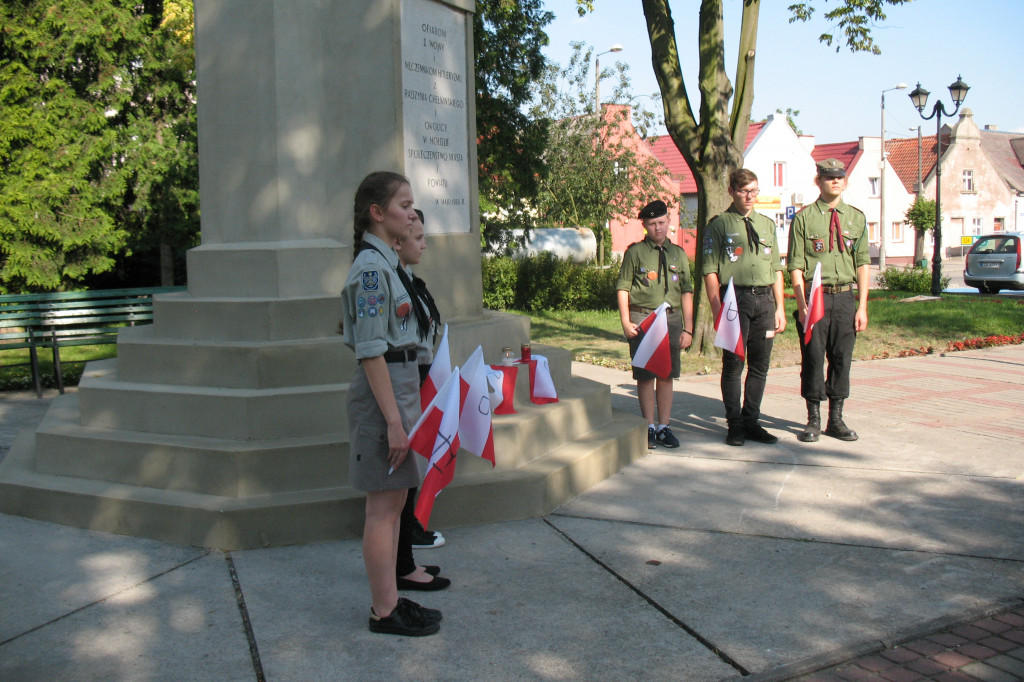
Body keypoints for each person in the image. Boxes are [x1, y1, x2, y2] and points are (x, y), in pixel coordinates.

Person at [340, 171, 440, 637]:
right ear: (378, 214)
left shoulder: (390, 266)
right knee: (382, 509)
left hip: (399, 385)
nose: (412, 212)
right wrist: (394, 422)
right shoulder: (372, 270)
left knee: (396, 501)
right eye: (404, 205)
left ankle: (393, 599)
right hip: (385, 392)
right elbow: (370, 350)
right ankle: (384, 611)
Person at [787, 158, 870, 443]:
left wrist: (863, 306)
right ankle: (813, 419)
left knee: (841, 359)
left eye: (839, 177)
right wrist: (801, 303)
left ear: (845, 182)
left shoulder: (856, 218)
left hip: (845, 297)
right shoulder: (804, 218)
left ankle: (836, 419)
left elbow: (862, 263)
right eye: (829, 177)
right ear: (818, 182)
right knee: (812, 358)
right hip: (815, 299)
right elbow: (796, 265)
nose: (835, 181)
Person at [702, 169, 786, 446]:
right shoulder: (719, 224)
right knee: (734, 364)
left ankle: (752, 421)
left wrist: (780, 307)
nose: (749, 196)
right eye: (743, 191)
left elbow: (775, 267)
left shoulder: (766, 224)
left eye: (754, 191)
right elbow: (710, 271)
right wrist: (717, 310)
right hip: (733, 301)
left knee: (760, 365)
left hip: (764, 300)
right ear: (732, 191)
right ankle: (734, 424)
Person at [393, 208, 449, 592]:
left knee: (413, 472)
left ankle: (407, 557)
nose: (425, 243)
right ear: (398, 242)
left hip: (421, 379)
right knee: (398, 486)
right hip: (405, 384)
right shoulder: (390, 282)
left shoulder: (410, 280)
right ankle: (402, 567)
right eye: (418, 238)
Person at [616, 200, 694, 449]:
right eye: (652, 224)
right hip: (643, 319)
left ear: (669, 221)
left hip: (671, 319)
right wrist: (625, 321)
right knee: (646, 374)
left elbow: (686, 292)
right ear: (645, 226)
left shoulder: (678, 254)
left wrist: (688, 328)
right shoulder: (635, 252)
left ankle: (664, 426)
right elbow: (623, 288)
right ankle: (648, 426)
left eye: (661, 222)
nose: (657, 228)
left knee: (666, 374)